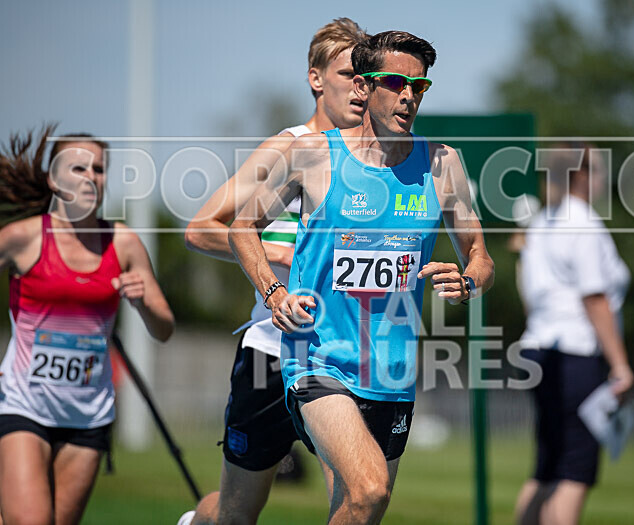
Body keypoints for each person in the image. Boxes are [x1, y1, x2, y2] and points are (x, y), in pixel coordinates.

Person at [229, 31, 495, 525]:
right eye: (395, 83)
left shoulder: (442, 163)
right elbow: (242, 227)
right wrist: (274, 292)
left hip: (392, 372)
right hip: (317, 359)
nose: (408, 96)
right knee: (370, 489)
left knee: (360, 509)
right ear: (363, 87)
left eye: (419, 86)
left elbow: (480, 255)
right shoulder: (313, 155)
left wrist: (468, 281)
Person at [178, 18, 369, 525]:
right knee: (236, 513)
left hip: (339, 354)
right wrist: (278, 258)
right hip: (271, 351)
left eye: (366, 77)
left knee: (358, 493)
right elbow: (201, 228)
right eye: (348, 74)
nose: (360, 87)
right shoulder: (288, 147)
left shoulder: (371, 161)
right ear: (315, 78)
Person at [0, 129, 174, 525]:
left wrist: (143, 302)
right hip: (24, 405)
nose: (91, 177)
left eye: (99, 169)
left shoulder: (122, 243)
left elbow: (164, 328)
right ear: (53, 178)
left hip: (88, 415)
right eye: (78, 168)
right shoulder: (23, 237)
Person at [513, 144, 634, 525]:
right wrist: (620, 365)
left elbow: (528, 293)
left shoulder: (542, 221)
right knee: (574, 471)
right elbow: (594, 298)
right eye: (598, 169)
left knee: (547, 468)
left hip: (538, 348)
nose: (603, 178)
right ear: (581, 175)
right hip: (575, 354)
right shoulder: (583, 222)